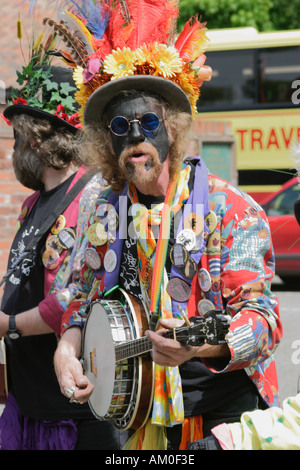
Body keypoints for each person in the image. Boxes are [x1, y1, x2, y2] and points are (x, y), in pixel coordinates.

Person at [49, 1, 282, 450]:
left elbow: (265, 321)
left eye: (149, 121)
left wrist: (200, 347)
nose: (135, 135)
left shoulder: (232, 209)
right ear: (106, 140)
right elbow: (81, 298)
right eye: (121, 125)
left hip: (222, 417)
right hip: (138, 414)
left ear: (171, 131)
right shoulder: (105, 210)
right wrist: (67, 347)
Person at [0, 54, 126, 449]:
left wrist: (7, 324)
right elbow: (22, 281)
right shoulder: (31, 205)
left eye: (16, 138)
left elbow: (73, 298)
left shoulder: (91, 198)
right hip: (29, 398)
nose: (13, 150)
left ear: (35, 138)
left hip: (70, 410)